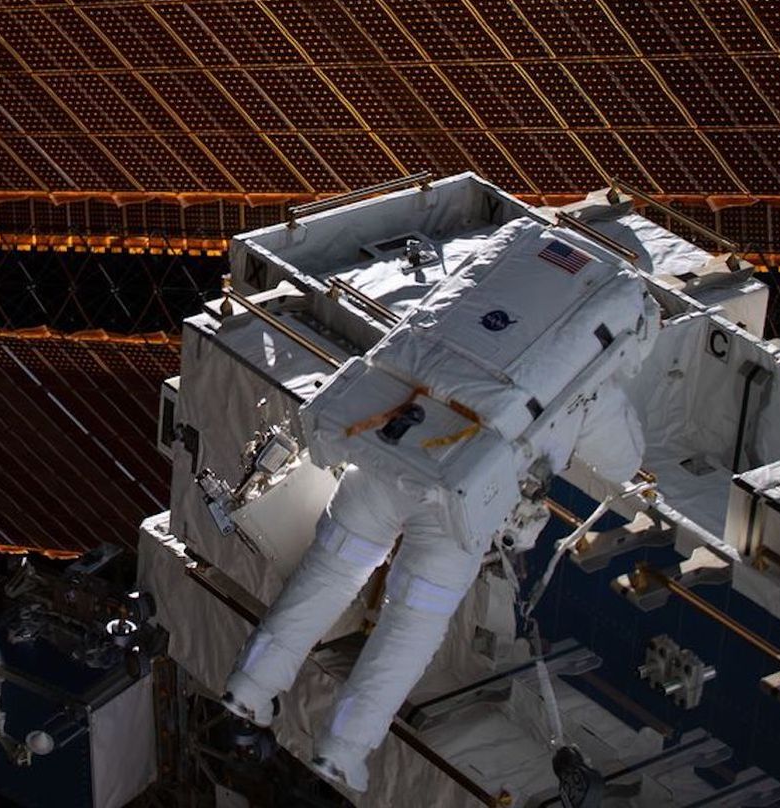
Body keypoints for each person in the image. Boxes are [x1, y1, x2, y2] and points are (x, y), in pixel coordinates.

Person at [220, 218, 658, 792]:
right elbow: (622, 461)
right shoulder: (597, 340)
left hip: (385, 440)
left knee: (328, 571)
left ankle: (249, 690)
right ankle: (341, 751)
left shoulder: (510, 264)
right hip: (456, 495)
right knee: (409, 625)